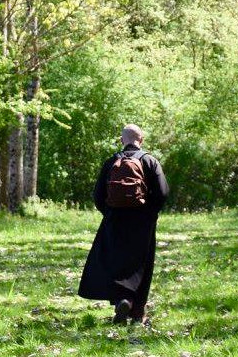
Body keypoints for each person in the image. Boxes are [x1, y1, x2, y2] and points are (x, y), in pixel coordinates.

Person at [77, 124, 169, 325]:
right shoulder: (150, 161)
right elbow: (162, 192)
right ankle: (137, 312)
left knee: (116, 261)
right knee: (142, 263)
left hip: (115, 220)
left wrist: (109, 212)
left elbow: (98, 195)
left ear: (122, 140)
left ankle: (122, 300)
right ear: (141, 140)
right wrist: (149, 213)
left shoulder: (112, 162)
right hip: (142, 222)